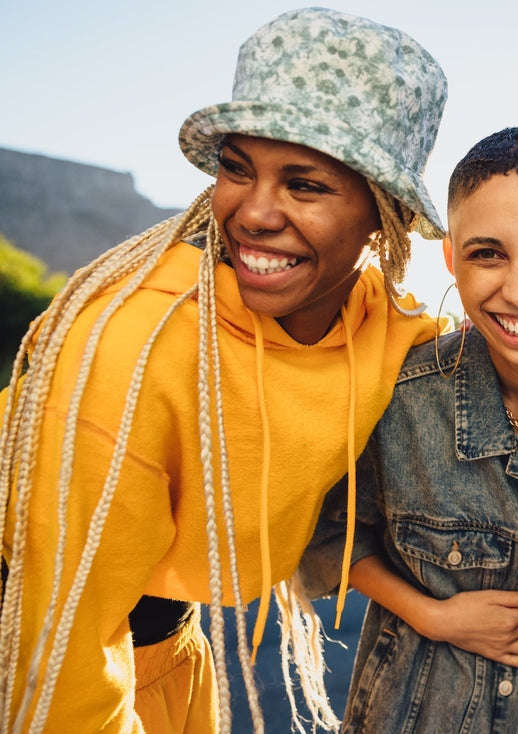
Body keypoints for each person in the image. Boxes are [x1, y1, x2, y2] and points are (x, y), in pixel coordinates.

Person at [0, 9, 447, 733]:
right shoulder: (134, 352)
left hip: (158, 649)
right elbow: (58, 652)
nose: (255, 212)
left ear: (383, 215)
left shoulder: (381, 324)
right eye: (238, 170)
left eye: (304, 184)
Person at [300, 126, 518, 733]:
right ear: (450, 257)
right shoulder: (398, 395)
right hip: (436, 690)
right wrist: (432, 615)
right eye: (487, 253)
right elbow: (324, 535)